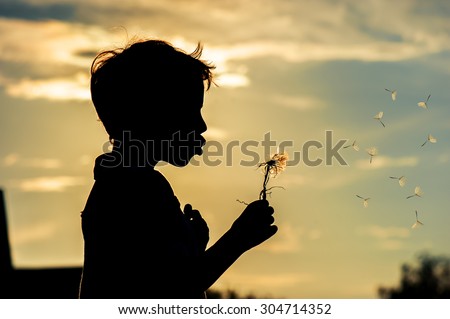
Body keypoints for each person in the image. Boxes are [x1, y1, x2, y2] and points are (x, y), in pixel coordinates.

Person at [79, 39, 278, 298]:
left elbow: (151, 274)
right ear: (152, 115)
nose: (202, 126)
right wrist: (239, 238)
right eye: (190, 112)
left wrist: (190, 247)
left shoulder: (117, 183)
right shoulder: (138, 188)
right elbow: (177, 285)